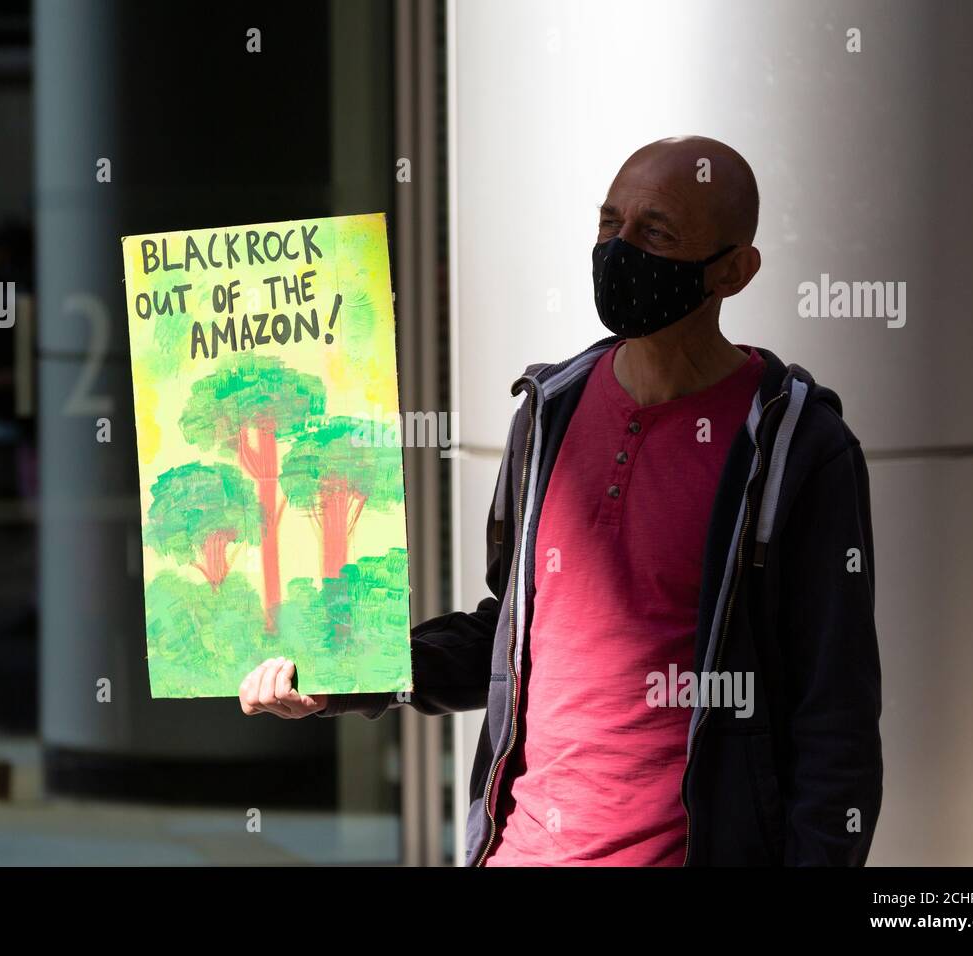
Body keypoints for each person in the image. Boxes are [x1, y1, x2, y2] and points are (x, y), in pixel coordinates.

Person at [239, 136, 883, 867]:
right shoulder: (551, 411)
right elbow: (506, 638)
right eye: (610, 225)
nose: (620, 249)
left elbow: (836, 720)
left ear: (734, 271)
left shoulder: (797, 448)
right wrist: (339, 677)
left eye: (656, 232)